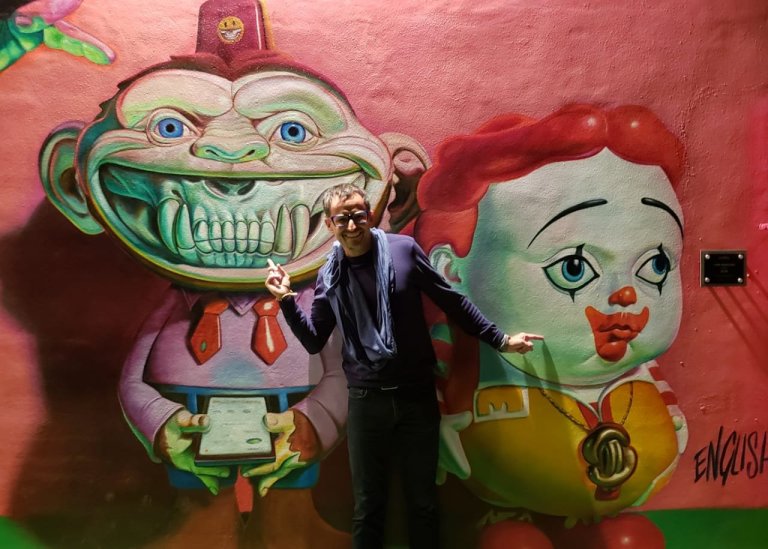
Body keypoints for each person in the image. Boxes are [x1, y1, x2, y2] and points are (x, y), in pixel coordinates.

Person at [265, 182, 543, 549]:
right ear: (330, 225)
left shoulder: (403, 251)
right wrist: (286, 299)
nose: (352, 226)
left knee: (423, 503)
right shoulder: (330, 275)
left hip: (416, 398)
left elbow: (452, 301)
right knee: (368, 507)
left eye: (358, 215)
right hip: (365, 400)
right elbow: (315, 339)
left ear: (370, 216)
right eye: (342, 219)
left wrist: (501, 340)